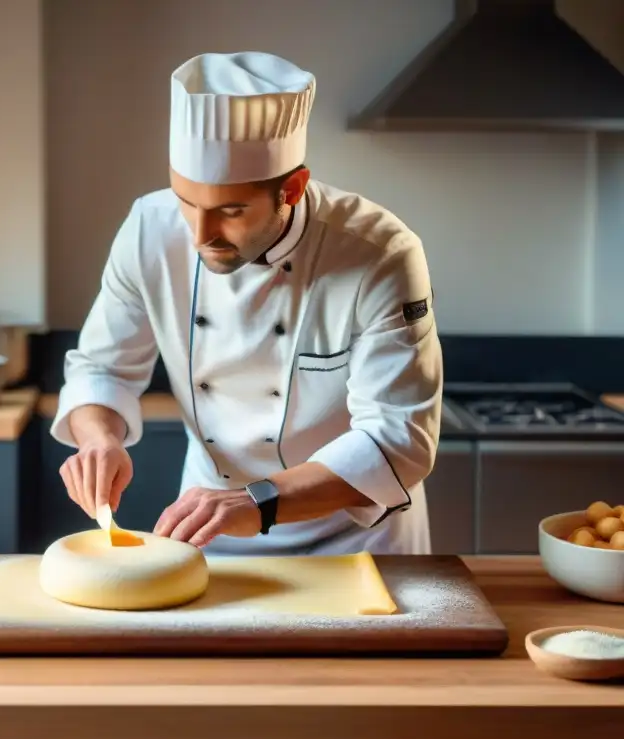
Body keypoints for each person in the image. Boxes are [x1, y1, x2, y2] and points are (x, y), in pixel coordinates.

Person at [50, 51, 442, 556]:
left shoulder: (380, 254)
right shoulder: (149, 229)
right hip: (210, 528)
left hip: (356, 539)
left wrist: (257, 502)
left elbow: (399, 439)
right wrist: (98, 439)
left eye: (231, 211)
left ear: (293, 189)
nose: (200, 234)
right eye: (186, 202)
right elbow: (101, 369)